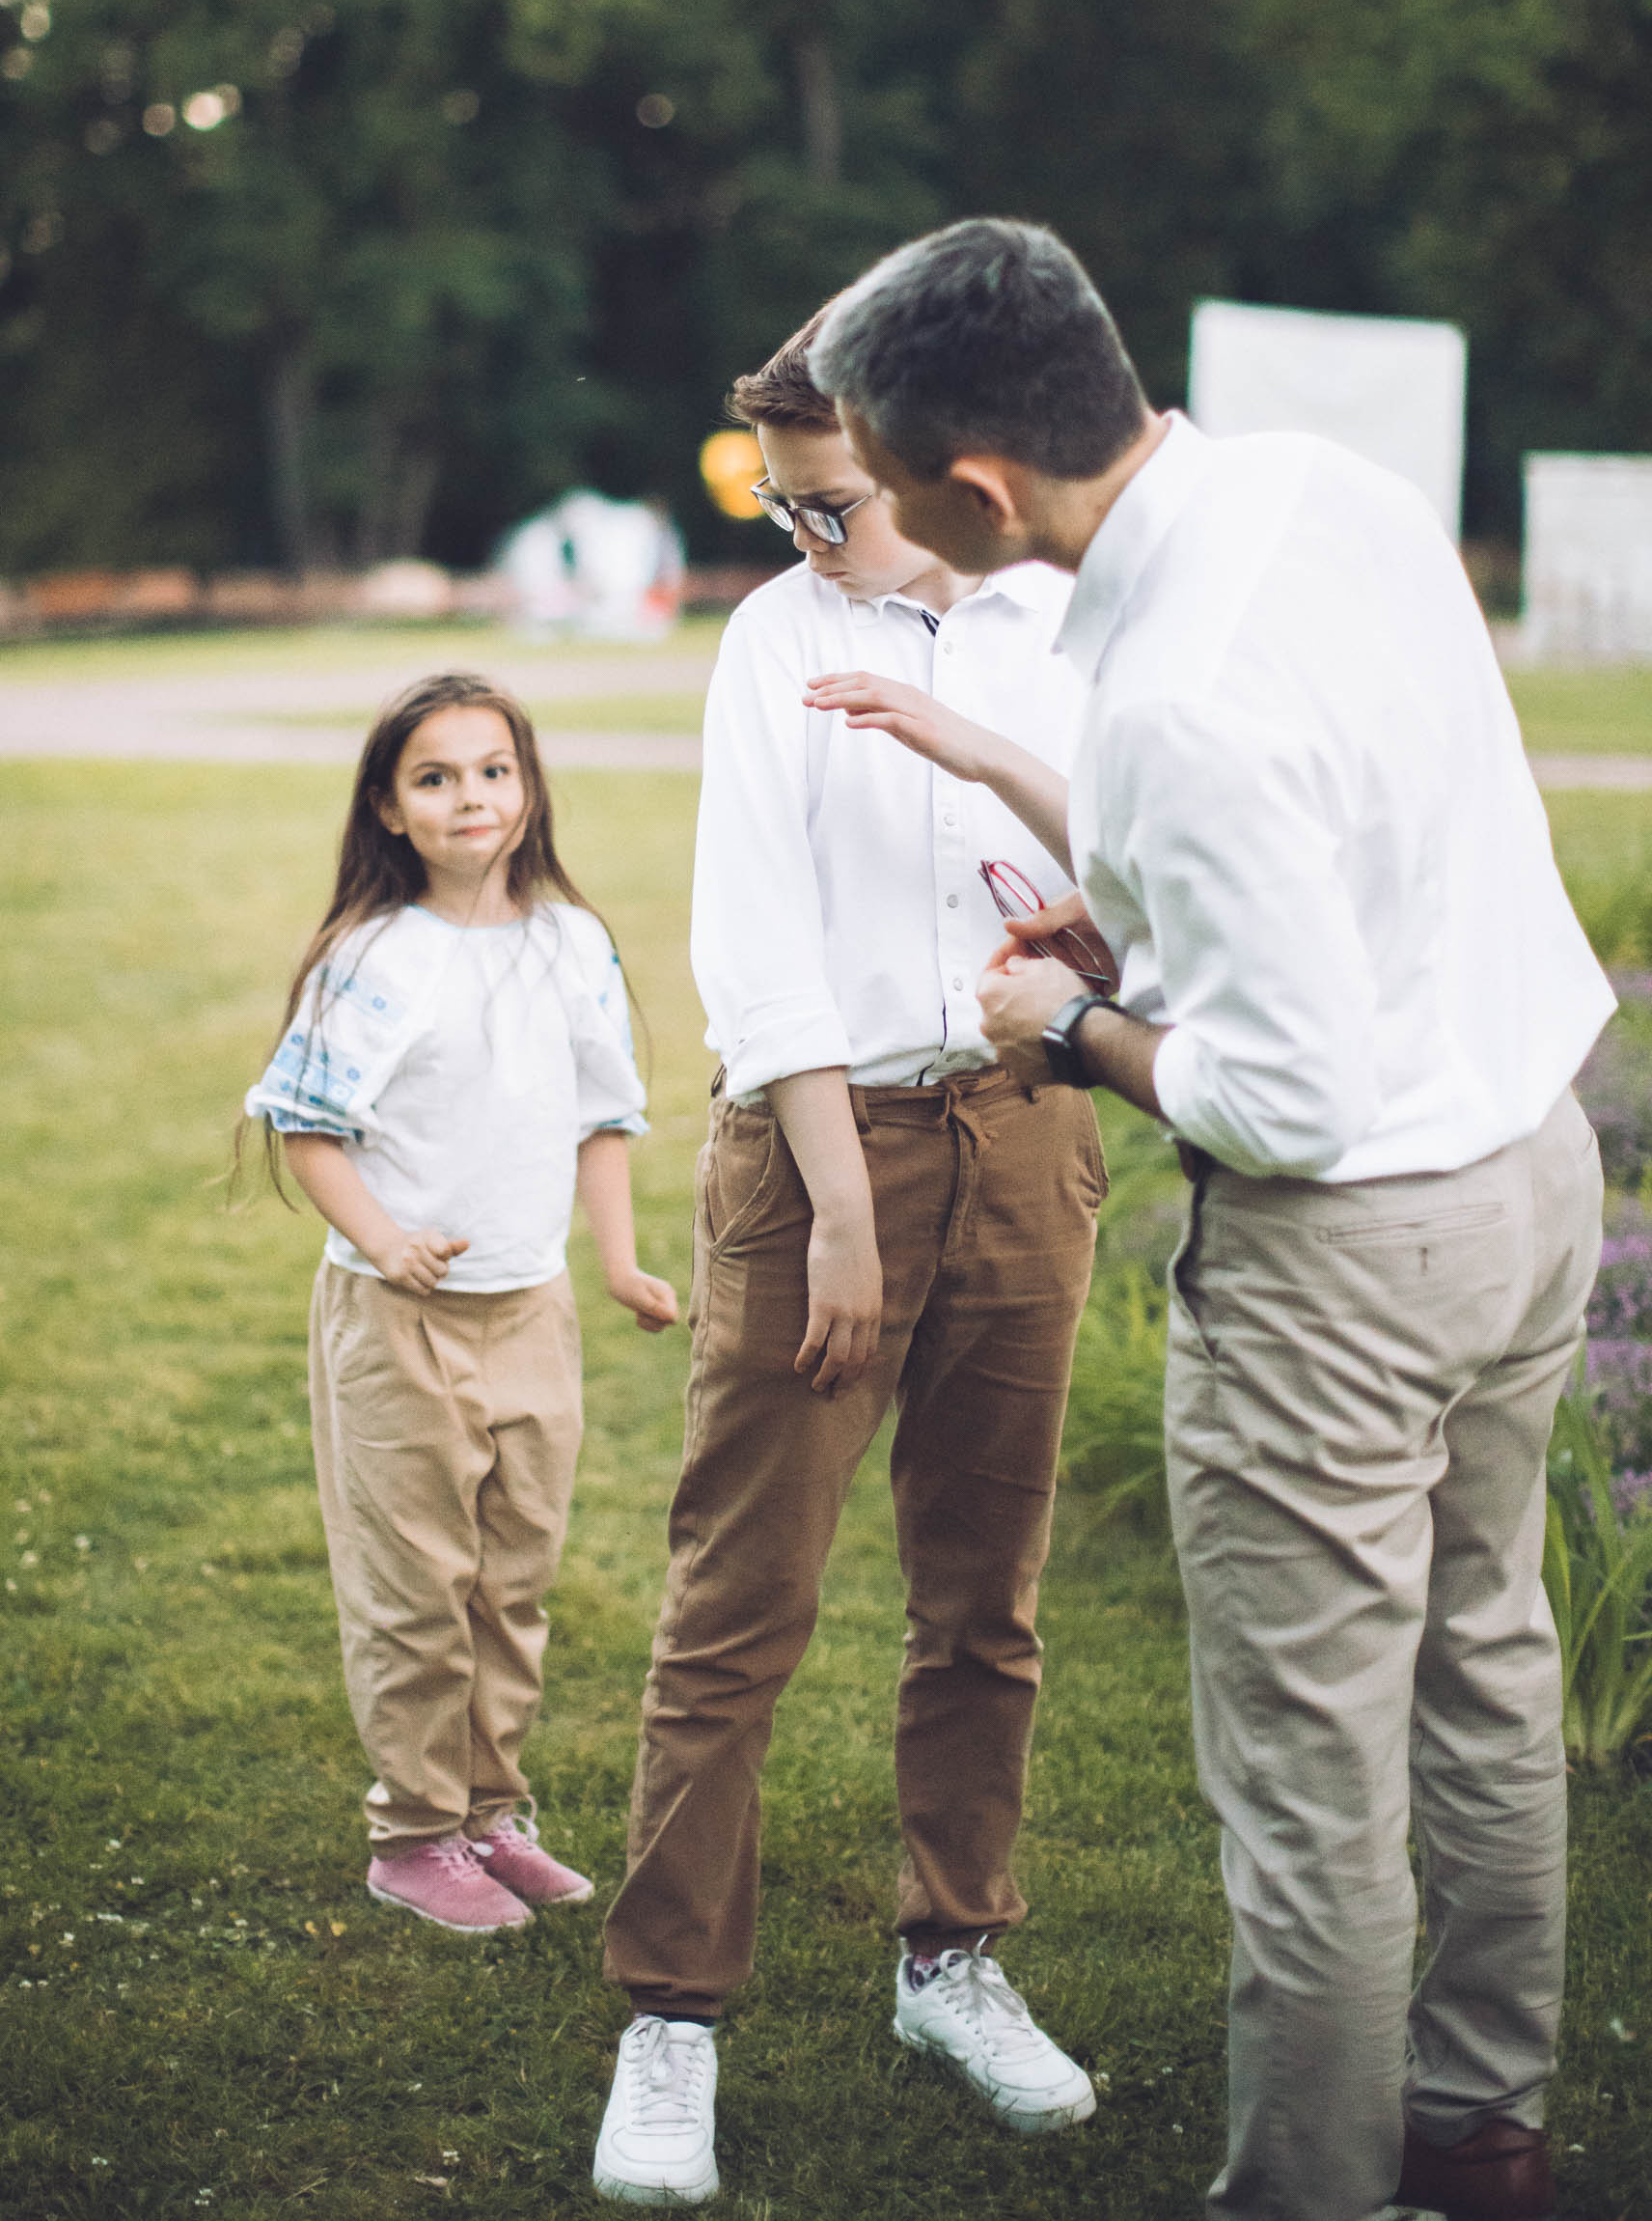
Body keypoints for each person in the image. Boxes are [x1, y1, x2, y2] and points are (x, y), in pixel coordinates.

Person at [806, 218, 1614, 2221]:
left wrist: (1075, 1027)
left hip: (1353, 1257)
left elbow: (1291, 1098)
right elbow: (1366, 835)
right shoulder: (1331, 488)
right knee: (1489, 1672)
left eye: (882, 482)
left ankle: (1312, 2193)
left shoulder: (1168, 702)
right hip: (1529, 1171)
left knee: (1311, 1784)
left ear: (977, 486)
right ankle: (1481, 2130)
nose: (873, 517)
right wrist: (1158, 940)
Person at [592, 314, 1108, 2207]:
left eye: (835, 506)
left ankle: (952, 1958)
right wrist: (835, 1210)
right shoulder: (772, 642)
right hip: (825, 1144)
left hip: (1029, 1131)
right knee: (738, 1606)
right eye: (788, 510)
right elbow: (756, 945)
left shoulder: (1056, 622)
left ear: (931, 464)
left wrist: (982, 753)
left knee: (985, 1601)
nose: (810, 540)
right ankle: (671, 2013)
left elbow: (1139, 869)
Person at [245, 672, 679, 1936]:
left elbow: (603, 1117)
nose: (471, 797)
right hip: (400, 1321)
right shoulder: (373, 958)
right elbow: (305, 1127)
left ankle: (491, 1813)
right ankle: (415, 1834)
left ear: (527, 786)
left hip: (531, 1310)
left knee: (511, 1581)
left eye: (494, 770)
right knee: (419, 1590)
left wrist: (618, 1264)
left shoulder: (571, 942)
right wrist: (387, 1241)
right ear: (390, 808)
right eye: (434, 777)